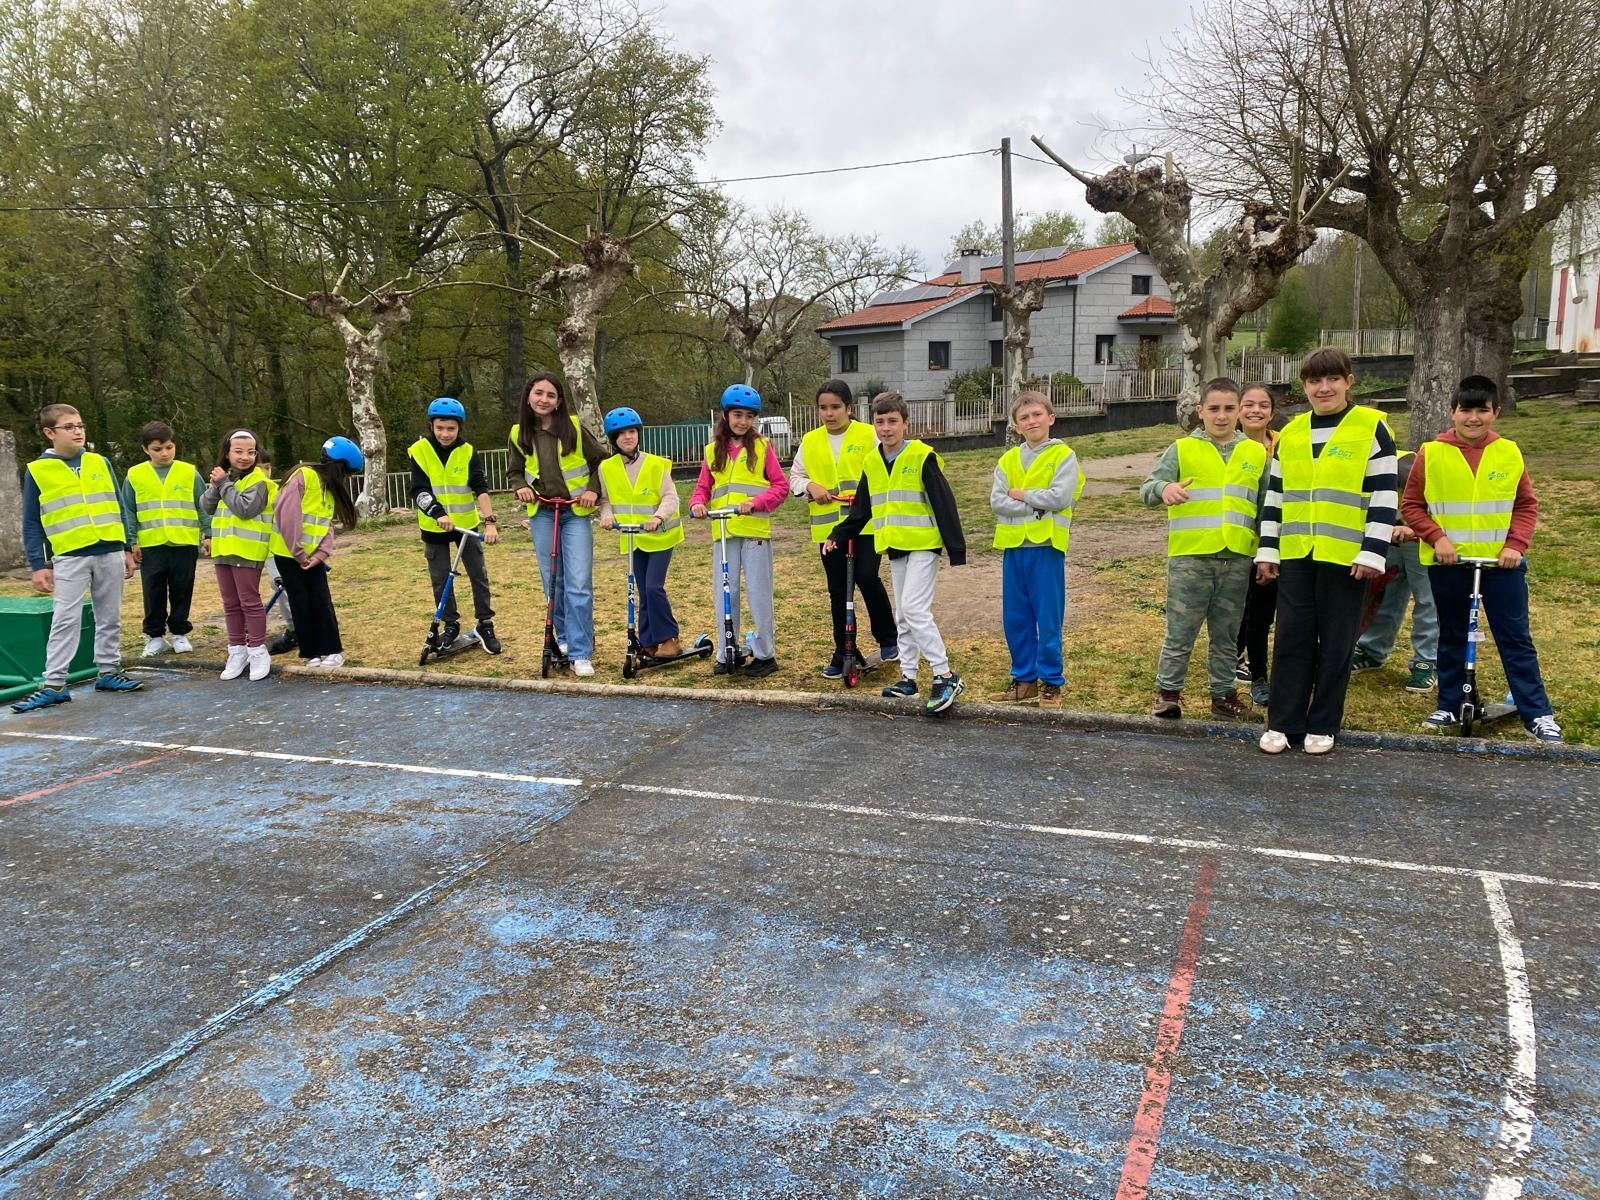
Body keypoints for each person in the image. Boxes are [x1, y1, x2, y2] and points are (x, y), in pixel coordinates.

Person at [1404, 375, 1562, 743]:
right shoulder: (1432, 453)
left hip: (1501, 566)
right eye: (1466, 410)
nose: (1473, 418)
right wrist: (1437, 538)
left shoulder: (1508, 452)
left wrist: (1515, 545)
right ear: (1452, 412)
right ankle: (1451, 702)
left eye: (1482, 410)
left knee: (1515, 638)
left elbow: (1525, 505)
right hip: (1450, 564)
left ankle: (1536, 712)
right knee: (1453, 634)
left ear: (1496, 412)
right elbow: (1412, 505)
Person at [1255, 347, 1397, 754]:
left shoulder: (1371, 427)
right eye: (1315, 380)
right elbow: (1276, 496)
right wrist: (1268, 550)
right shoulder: (1292, 432)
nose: (1324, 388)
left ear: (1348, 381)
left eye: (1333, 379)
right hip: (1296, 552)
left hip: (1347, 556)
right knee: (1291, 638)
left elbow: (1384, 494)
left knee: (1336, 643)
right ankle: (1283, 722)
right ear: (1304, 386)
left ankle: (1323, 723)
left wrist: (1372, 552)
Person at [827, 392, 967, 716]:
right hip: (896, 547)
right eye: (880, 422)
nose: (886, 428)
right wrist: (838, 535)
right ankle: (908, 678)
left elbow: (944, 503)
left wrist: (956, 548)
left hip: (924, 545)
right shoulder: (872, 462)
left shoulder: (921, 456)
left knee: (915, 609)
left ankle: (946, 675)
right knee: (903, 615)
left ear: (905, 423)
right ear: (873, 424)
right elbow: (862, 510)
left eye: (893, 421)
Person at [1142, 377, 1264, 722]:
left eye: (1229, 408)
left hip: (1236, 558)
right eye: (1214, 409)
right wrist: (1164, 489)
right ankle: (1168, 694)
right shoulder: (1181, 449)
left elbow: (1264, 505)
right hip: (1190, 558)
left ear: (1239, 411)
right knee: (1181, 631)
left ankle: (1223, 696)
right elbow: (1147, 489)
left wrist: (1266, 551)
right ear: (1201, 411)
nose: (1221, 416)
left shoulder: (1255, 453)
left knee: (1227, 634)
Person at [13, 404, 142, 712]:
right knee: (65, 619)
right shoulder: (38, 470)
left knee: (109, 616)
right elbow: (31, 522)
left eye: (80, 425)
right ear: (50, 432)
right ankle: (55, 684)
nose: (77, 431)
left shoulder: (100, 462)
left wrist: (126, 547)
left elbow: (118, 505)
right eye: (69, 426)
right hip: (70, 556)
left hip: (110, 550)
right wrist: (38, 565)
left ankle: (108, 672)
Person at [791, 379, 898, 678]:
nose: (829, 413)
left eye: (835, 407)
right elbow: (795, 477)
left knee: (866, 576)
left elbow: (887, 465)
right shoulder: (810, 441)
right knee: (838, 590)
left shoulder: (868, 434)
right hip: (829, 528)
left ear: (849, 408)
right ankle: (844, 650)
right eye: (823, 408)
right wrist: (810, 486)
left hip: (865, 523)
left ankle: (889, 638)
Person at [988, 389, 1082, 709]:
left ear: (1051, 418)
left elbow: (1060, 497)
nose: (1031, 421)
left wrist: (1021, 495)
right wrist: (1037, 504)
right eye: (1024, 417)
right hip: (1015, 548)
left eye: (1037, 415)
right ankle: (1024, 680)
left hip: (1046, 547)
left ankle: (1051, 682)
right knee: (1016, 618)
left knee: (1048, 617)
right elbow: (997, 502)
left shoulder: (1063, 456)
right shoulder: (1008, 460)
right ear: (1016, 425)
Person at [509, 372, 604, 677]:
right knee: (554, 581)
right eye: (538, 393)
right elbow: (514, 472)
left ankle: (581, 651)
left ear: (559, 401)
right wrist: (521, 487)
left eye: (551, 395)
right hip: (543, 513)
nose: (544, 400)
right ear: (528, 397)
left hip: (574, 513)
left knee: (579, 582)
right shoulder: (518, 434)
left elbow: (601, 463)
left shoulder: (574, 428)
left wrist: (592, 491)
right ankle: (562, 638)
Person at [689, 384, 788, 678]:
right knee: (725, 592)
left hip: (753, 530)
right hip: (724, 533)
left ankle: (765, 653)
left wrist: (756, 503)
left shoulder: (762, 447)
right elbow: (703, 487)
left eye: (748, 416)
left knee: (758, 592)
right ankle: (727, 650)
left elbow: (780, 487)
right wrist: (697, 503)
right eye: (737, 415)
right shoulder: (712, 451)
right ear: (726, 415)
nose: (743, 421)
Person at [407, 397, 502, 654]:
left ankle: (485, 623)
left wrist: (490, 522)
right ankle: (450, 625)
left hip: (466, 525)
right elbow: (419, 490)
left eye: (451, 428)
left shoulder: (468, 451)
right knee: (440, 578)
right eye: (440, 428)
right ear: (431, 426)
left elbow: (480, 487)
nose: (445, 434)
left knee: (478, 575)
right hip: (435, 525)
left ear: (459, 428)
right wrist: (437, 513)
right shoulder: (419, 451)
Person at [269, 436, 363, 669]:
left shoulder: (328, 491)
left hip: (312, 558)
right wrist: (300, 554)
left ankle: (333, 650)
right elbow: (287, 516)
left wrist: (320, 555)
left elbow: (325, 526)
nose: (346, 480)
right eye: (347, 474)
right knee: (299, 602)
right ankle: (310, 653)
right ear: (339, 467)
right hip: (289, 555)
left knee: (321, 601)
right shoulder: (304, 476)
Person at [598, 406, 684, 658]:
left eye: (632, 431)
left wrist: (658, 517)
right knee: (643, 590)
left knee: (654, 587)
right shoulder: (607, 468)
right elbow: (605, 500)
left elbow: (670, 497)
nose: (628, 437)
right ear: (613, 438)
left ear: (639, 434)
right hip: (634, 537)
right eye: (621, 433)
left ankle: (669, 638)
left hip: (661, 535)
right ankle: (648, 641)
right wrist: (606, 516)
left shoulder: (656, 464)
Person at [1349, 448, 1438, 692]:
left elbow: (1440, 503)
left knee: (1427, 601)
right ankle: (1372, 650)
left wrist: (1415, 529)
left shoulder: (1406, 466)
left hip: (1422, 540)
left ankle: (1427, 661)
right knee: (1383, 596)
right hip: (1388, 539)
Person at [122, 420, 209, 658]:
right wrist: (131, 541)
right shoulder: (135, 475)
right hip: (151, 544)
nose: (164, 453)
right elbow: (128, 510)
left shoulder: (188, 472)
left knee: (182, 589)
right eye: (157, 449)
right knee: (153, 592)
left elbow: (203, 505)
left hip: (184, 542)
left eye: (169, 447)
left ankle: (180, 632)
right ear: (145, 449)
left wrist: (208, 533)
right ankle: (155, 636)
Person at [201, 428, 275, 682]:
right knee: (230, 603)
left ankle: (257, 650)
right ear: (227, 453)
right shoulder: (227, 480)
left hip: (248, 550)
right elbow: (206, 506)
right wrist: (218, 484)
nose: (245, 457)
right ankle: (237, 650)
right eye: (238, 451)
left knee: (249, 602)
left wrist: (223, 484)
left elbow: (245, 509)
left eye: (251, 452)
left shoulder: (259, 482)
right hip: (223, 550)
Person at [1235, 383, 1278, 706]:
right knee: (1239, 608)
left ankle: (1259, 675)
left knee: (1261, 612)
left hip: (1274, 540)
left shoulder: (1286, 446)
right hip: (1236, 542)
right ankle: (1232, 660)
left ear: (1272, 413)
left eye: (1263, 405)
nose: (1255, 410)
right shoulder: (1227, 447)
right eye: (1248, 404)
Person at [256, 452, 297, 655]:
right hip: (249, 548)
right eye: (259, 468)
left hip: (274, 549)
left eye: (267, 467)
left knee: (281, 586)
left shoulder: (276, 491)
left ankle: (295, 629)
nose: (264, 472)